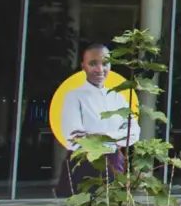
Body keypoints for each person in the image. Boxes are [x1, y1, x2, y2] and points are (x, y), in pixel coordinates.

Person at [58, 40, 135, 195]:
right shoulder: (73, 96)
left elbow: (133, 132)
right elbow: (74, 136)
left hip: (114, 163)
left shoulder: (118, 98)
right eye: (93, 64)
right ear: (83, 66)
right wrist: (115, 137)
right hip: (83, 164)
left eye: (105, 63)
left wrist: (101, 136)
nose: (100, 69)